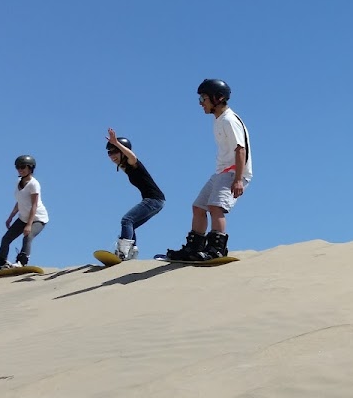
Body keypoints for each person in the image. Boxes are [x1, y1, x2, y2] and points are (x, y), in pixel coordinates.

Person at [166, 79, 252, 261]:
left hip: (233, 172)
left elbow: (240, 149)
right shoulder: (219, 120)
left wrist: (238, 179)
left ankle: (216, 249)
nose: (201, 103)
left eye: (203, 99)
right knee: (198, 207)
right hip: (221, 172)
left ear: (218, 98)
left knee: (215, 207)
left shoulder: (229, 120)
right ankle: (194, 247)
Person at [0, 155, 49, 271]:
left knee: (28, 236)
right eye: (17, 167)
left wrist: (29, 225)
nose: (20, 170)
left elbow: (34, 205)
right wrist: (10, 217)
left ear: (30, 168)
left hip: (38, 218)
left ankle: (21, 262)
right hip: (23, 217)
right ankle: (0, 263)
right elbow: (20, 202)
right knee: (6, 239)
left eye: (22, 167)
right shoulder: (18, 182)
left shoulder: (34, 184)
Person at [106, 129, 166, 260]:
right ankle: (131, 252)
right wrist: (115, 146)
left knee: (127, 220)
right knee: (130, 224)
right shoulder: (125, 167)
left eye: (114, 151)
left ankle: (123, 253)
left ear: (123, 151)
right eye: (109, 153)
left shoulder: (132, 163)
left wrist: (116, 142)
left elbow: (132, 156)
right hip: (156, 201)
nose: (111, 155)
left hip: (154, 200)